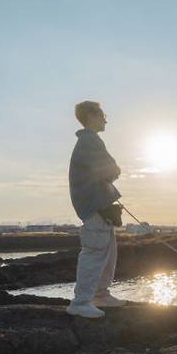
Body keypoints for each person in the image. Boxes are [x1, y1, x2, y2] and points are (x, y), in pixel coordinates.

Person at [66, 101, 126, 318]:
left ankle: (100, 294)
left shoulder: (88, 141)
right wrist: (115, 169)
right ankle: (80, 302)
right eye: (102, 115)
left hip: (98, 206)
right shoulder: (90, 140)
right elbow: (109, 169)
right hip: (95, 206)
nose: (106, 119)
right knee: (95, 252)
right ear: (92, 115)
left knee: (107, 252)